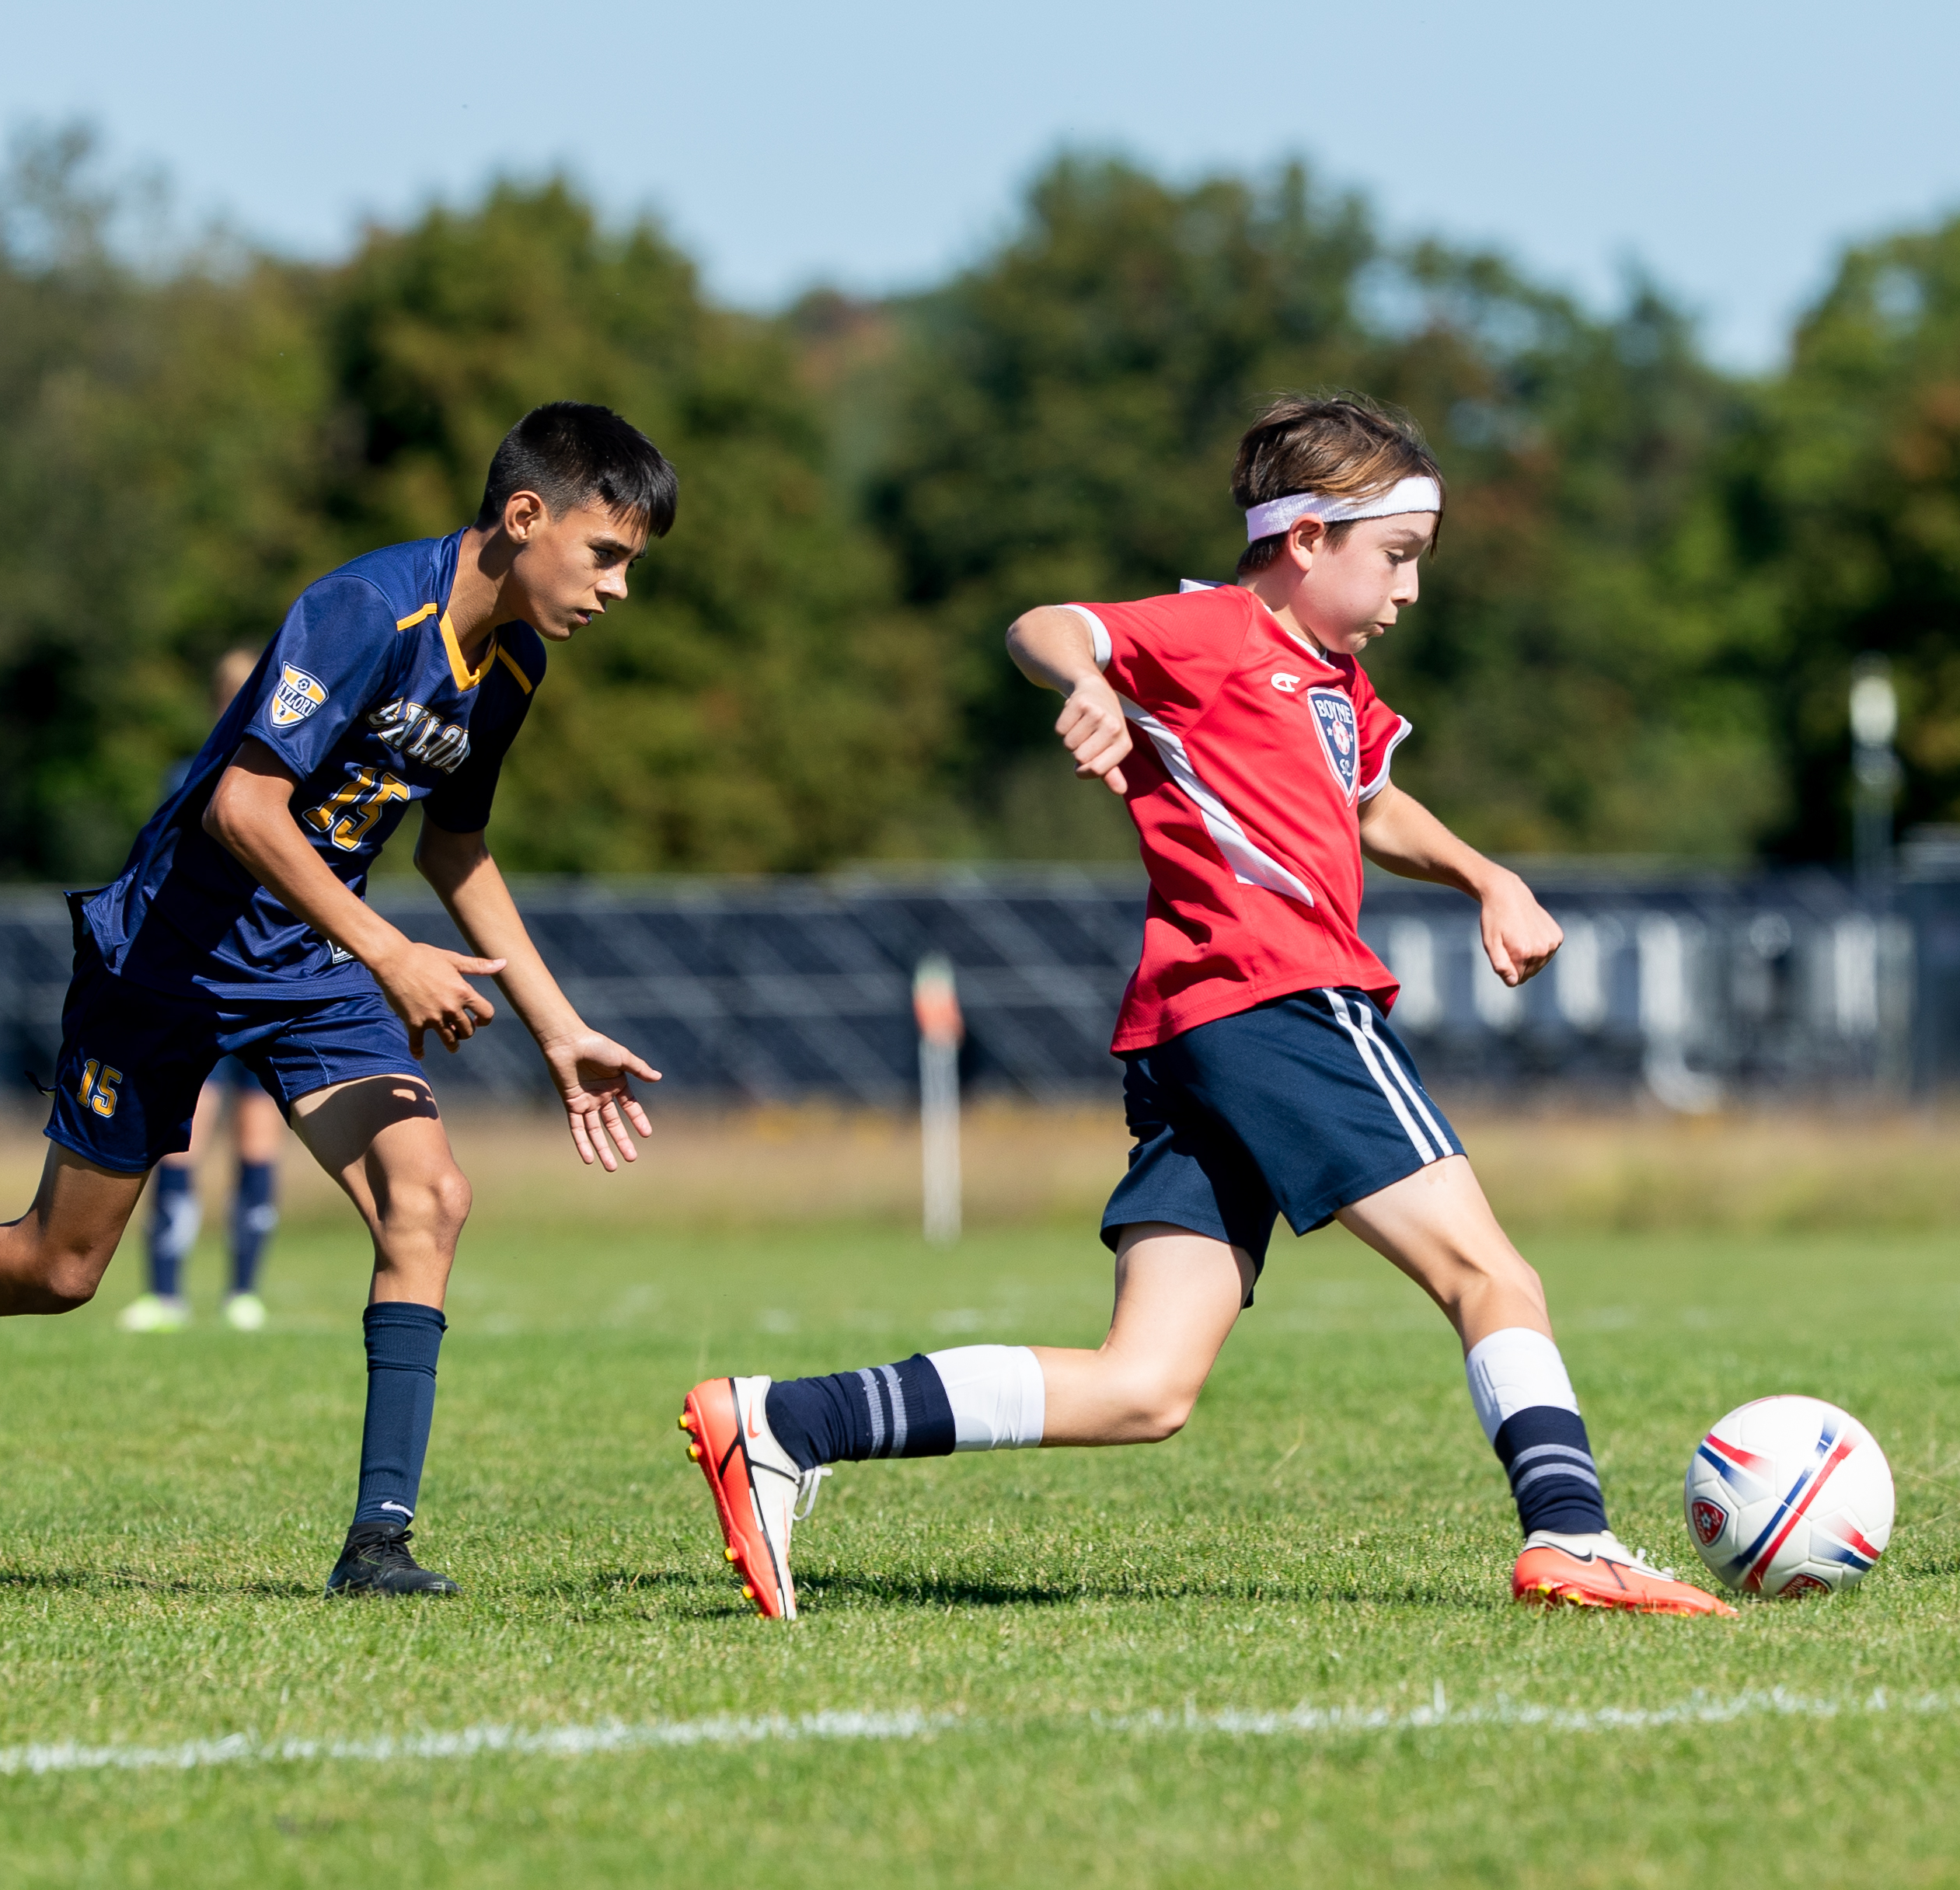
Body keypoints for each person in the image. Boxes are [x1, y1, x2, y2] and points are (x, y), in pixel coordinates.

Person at [682, 396, 1733, 1621]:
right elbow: (1043, 626)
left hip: (1199, 1033)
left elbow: (1370, 802)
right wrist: (1086, 679)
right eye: (1396, 556)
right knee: (1491, 1275)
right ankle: (1573, 1535)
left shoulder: (1333, 680)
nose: (1408, 591)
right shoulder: (1213, 631)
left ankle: (786, 1423)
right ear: (1307, 539)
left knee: (1144, 1387)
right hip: (1280, 999)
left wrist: (1488, 878)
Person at [0, 402, 671, 1597]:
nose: (617, 589)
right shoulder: (367, 609)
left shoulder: (514, 663)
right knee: (58, 1268)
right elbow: (241, 809)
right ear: (525, 516)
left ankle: (377, 1546)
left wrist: (557, 1027)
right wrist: (391, 953)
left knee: (428, 1201)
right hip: (168, 956)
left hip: (311, 967)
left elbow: (454, 848)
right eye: (606, 554)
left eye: (630, 566)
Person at [117, 649, 287, 1335]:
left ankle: (244, 1292)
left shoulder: (300, 777)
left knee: (258, 1141)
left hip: (271, 983)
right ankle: (165, 1293)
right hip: (200, 984)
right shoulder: (187, 777)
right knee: (180, 1141)